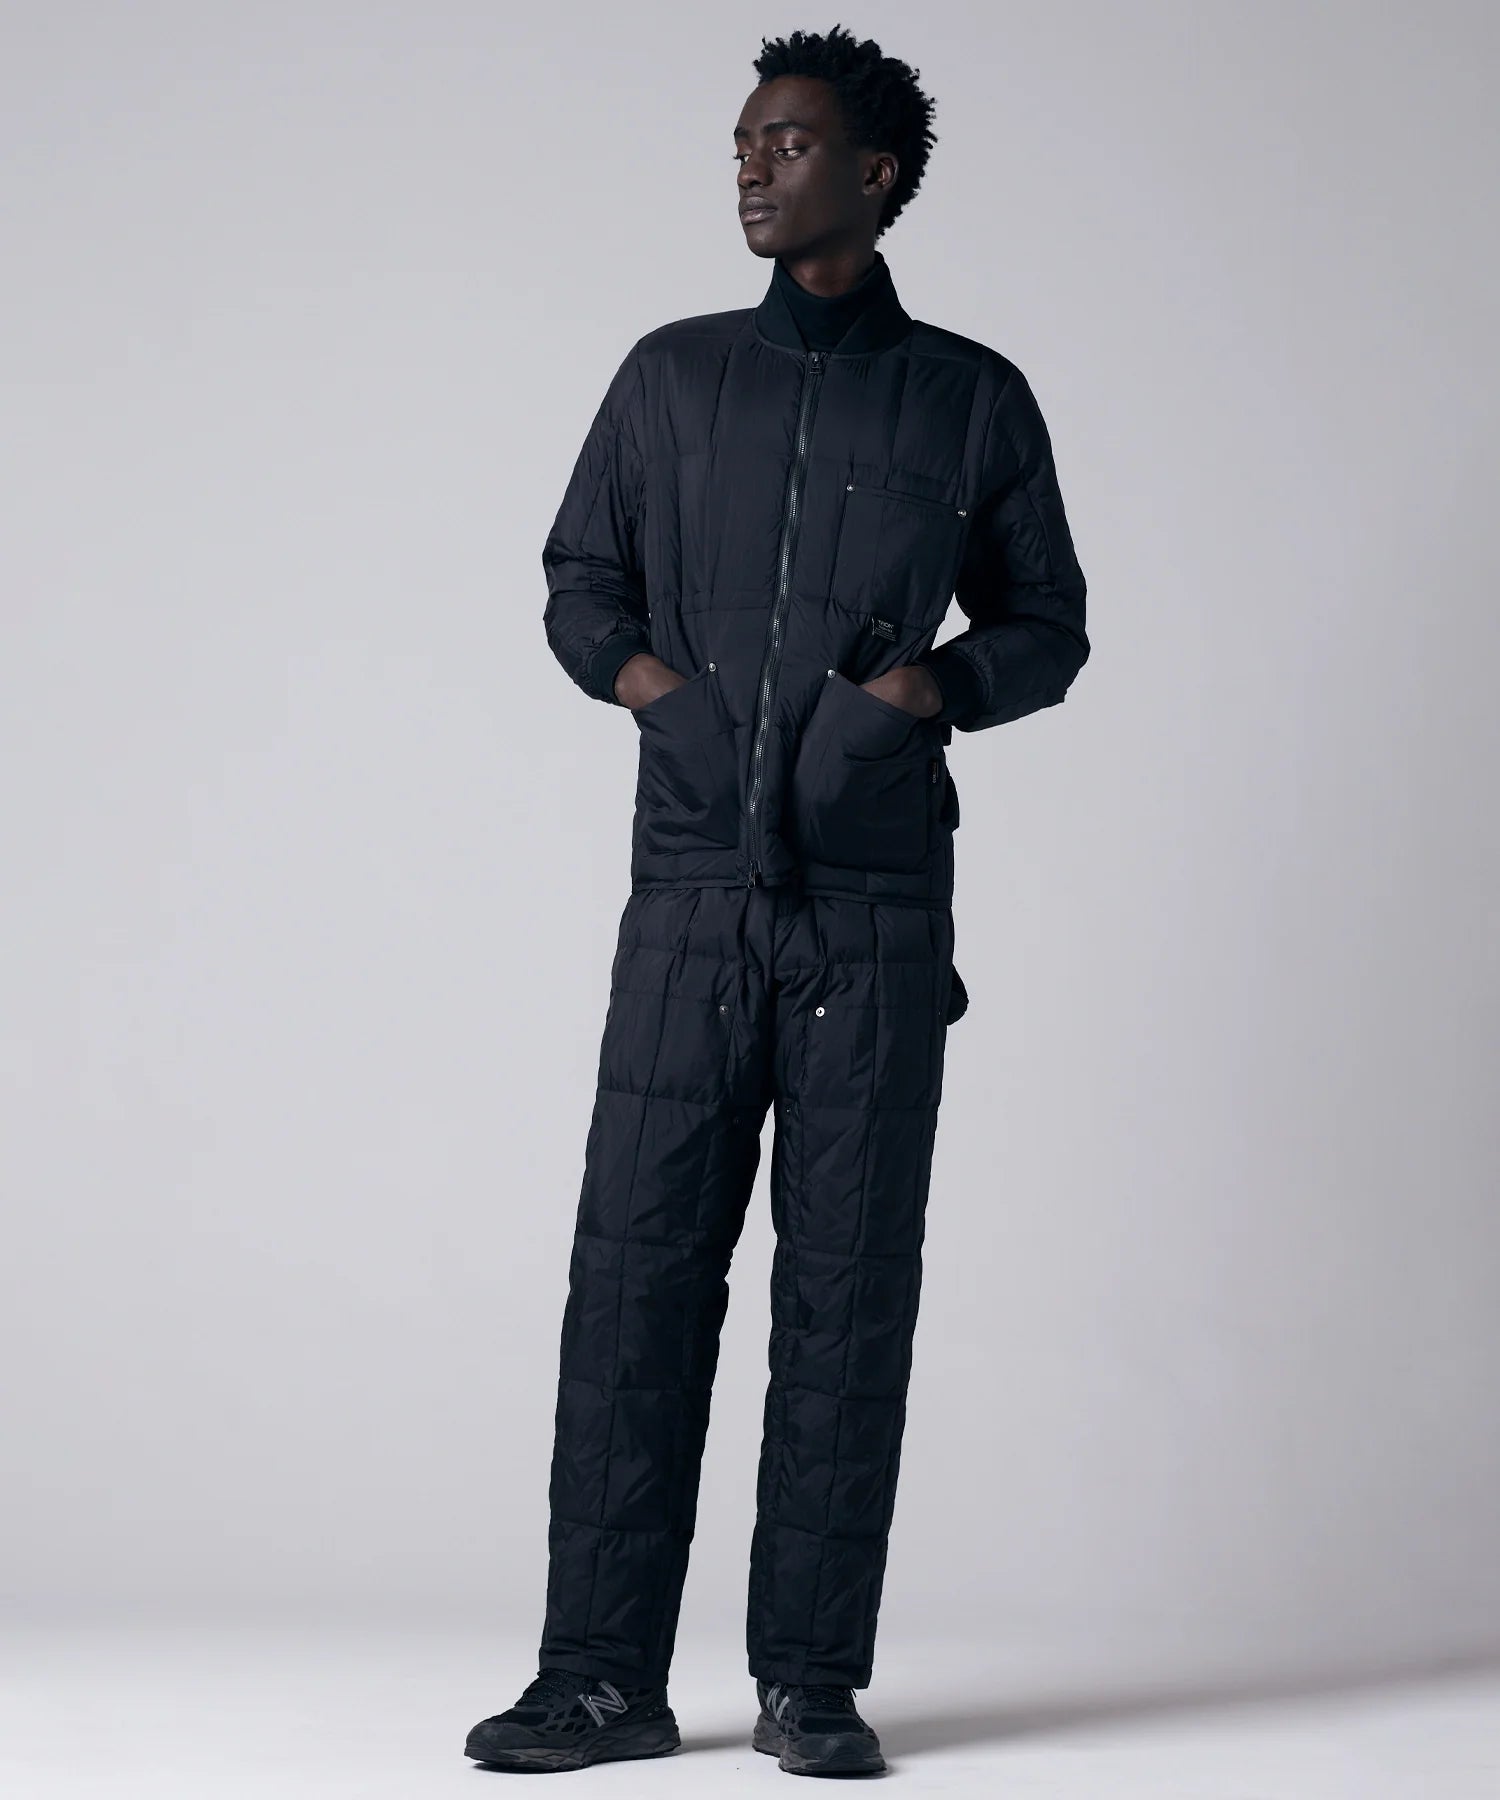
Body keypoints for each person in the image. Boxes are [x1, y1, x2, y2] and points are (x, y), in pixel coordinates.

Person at [464, 22, 1088, 1779]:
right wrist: (660, 696)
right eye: (743, 143)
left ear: (873, 174)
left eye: (788, 143)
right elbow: (581, 576)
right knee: (636, 1285)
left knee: (845, 1298)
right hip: (688, 901)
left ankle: (811, 1680)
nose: (751, 167)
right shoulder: (672, 378)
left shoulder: (969, 397)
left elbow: (1047, 624)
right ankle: (601, 1676)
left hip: (874, 916)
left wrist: (922, 695)